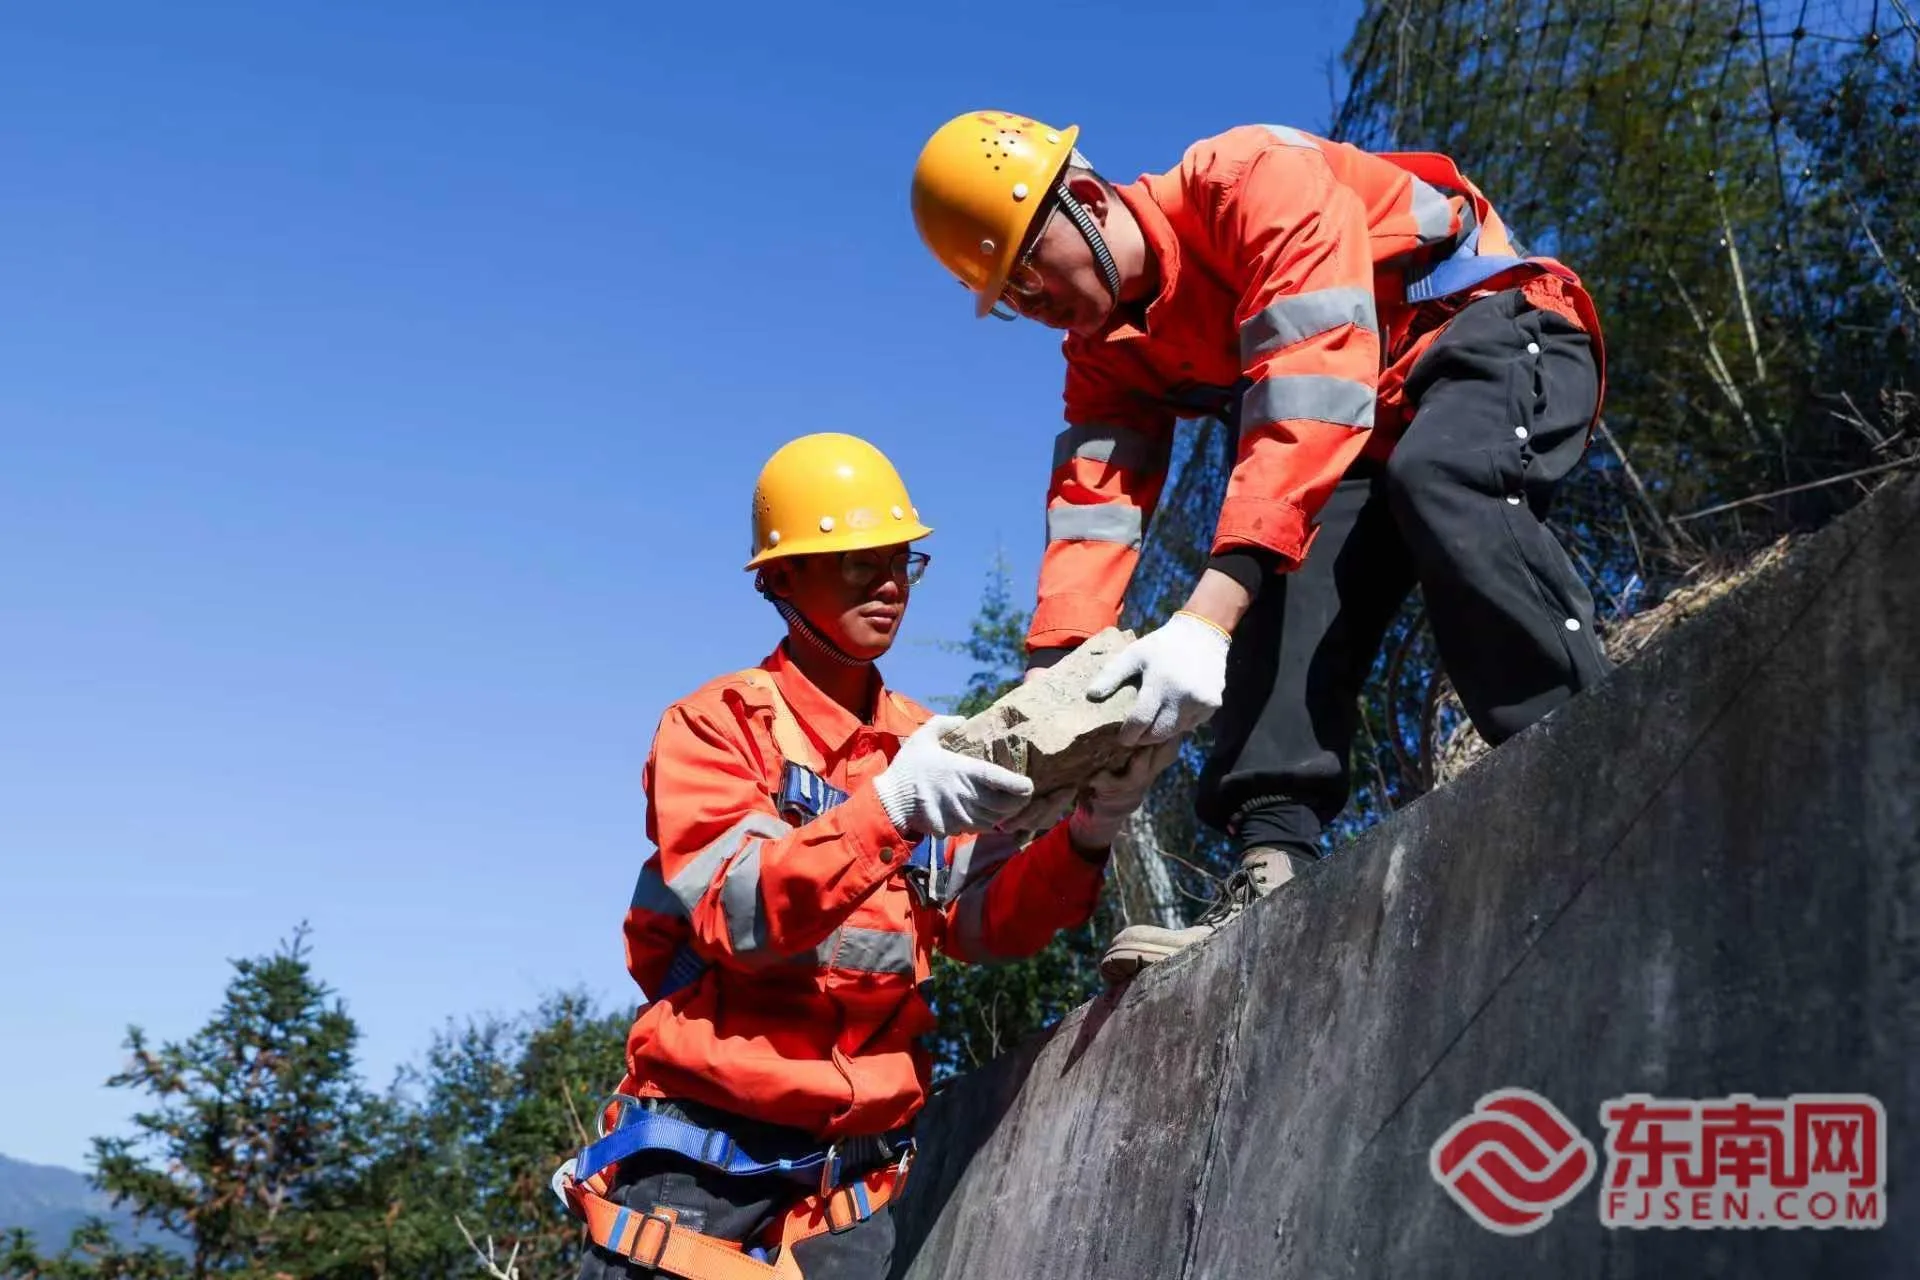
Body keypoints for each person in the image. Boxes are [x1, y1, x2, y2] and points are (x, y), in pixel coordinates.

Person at [909, 112, 1612, 982]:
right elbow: (1091, 522)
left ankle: (1589, 758)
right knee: (1282, 592)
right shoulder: (1104, 358)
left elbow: (1314, 383)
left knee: (1438, 479)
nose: (1029, 303)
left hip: (1492, 331)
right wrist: (1050, 716)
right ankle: (1271, 871)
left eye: (1021, 268)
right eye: (1005, 301)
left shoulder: (1248, 177)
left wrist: (1204, 622)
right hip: (1366, 425)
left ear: (1085, 200)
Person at [558, 431, 1175, 1280]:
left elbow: (981, 920)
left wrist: (1090, 832)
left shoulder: (927, 742)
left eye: (900, 563)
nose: (887, 585)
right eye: (856, 562)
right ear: (779, 579)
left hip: (852, 1195)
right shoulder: (717, 728)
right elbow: (740, 913)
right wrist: (890, 809)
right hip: (700, 1169)